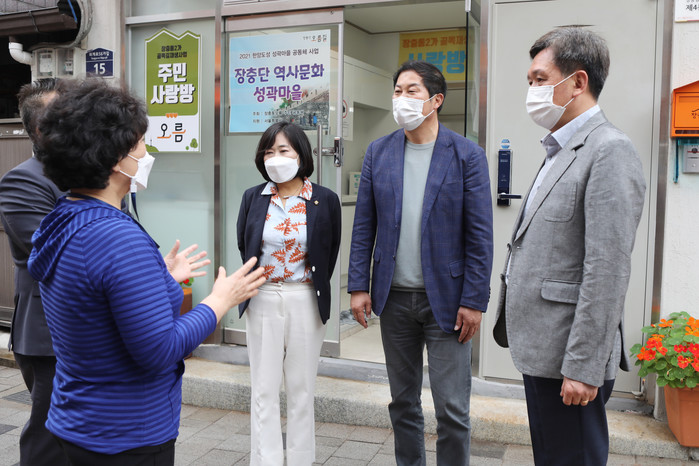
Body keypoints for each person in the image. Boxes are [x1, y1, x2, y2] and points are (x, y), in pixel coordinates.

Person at [26, 78, 266, 465]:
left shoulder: (65, 218)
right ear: (115, 158)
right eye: (140, 144)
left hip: (77, 420)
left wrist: (157, 278)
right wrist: (219, 301)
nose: (146, 152)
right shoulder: (115, 236)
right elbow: (159, 350)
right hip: (125, 432)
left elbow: (96, 301)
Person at [493, 27, 646, 465]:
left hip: (570, 357)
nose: (532, 91)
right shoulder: (561, 148)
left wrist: (583, 366)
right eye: (530, 81)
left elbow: (607, 269)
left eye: (540, 80)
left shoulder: (609, 150)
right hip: (544, 349)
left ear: (578, 82)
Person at [348, 61, 493, 465]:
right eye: (397, 90)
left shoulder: (467, 155)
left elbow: (480, 236)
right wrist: (358, 286)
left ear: (436, 100)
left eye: (412, 90)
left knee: (452, 409)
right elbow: (364, 226)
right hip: (393, 298)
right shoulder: (379, 152)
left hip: (447, 300)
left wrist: (474, 301)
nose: (402, 98)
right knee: (403, 403)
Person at [237, 121, 341, 466]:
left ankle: (299, 460)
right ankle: (264, 461)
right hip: (263, 297)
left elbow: (329, 251)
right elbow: (244, 244)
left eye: (283, 150)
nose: (275, 158)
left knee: (301, 390)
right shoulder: (253, 197)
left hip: (305, 297)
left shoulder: (325, 199)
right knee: (263, 390)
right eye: (268, 152)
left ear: (301, 155)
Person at [0, 78, 69, 466]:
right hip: (48, 334)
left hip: (84, 328)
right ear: (40, 129)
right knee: (48, 438)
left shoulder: (89, 173)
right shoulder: (24, 179)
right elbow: (58, 255)